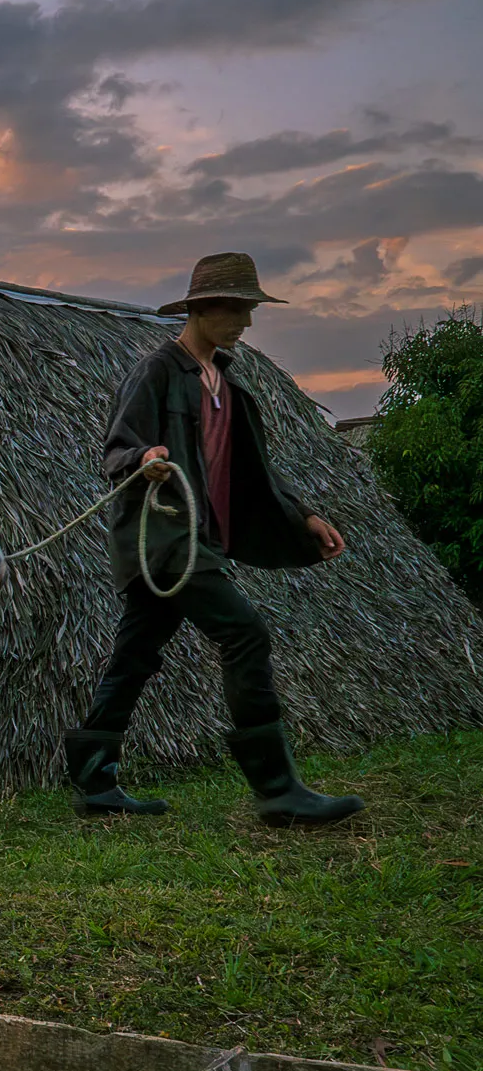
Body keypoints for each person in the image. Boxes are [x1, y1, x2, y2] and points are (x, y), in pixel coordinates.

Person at [65, 252, 364, 826]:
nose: (247, 322)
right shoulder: (156, 370)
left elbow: (252, 474)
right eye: (237, 308)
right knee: (245, 634)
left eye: (250, 309)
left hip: (198, 541)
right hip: (169, 542)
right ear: (202, 309)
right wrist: (144, 457)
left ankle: (95, 781)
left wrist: (303, 515)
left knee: (134, 655)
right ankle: (277, 789)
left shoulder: (227, 385)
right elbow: (117, 447)